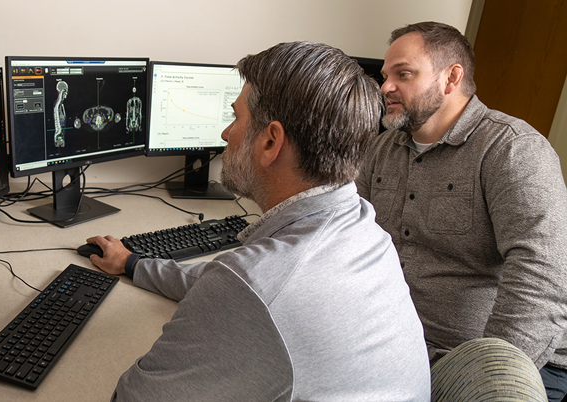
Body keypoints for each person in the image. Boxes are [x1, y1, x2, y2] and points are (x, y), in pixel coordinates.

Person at [86, 41, 430, 401]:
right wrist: (132, 263)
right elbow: (237, 288)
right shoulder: (364, 227)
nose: (225, 134)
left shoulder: (257, 282)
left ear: (270, 142)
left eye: (235, 118)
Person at [355, 21, 567, 401]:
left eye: (403, 74)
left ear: (452, 77)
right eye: (385, 76)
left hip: (511, 362)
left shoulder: (512, 150)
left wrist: (487, 376)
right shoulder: (381, 150)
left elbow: (542, 276)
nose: (385, 87)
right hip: (405, 347)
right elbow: (354, 239)